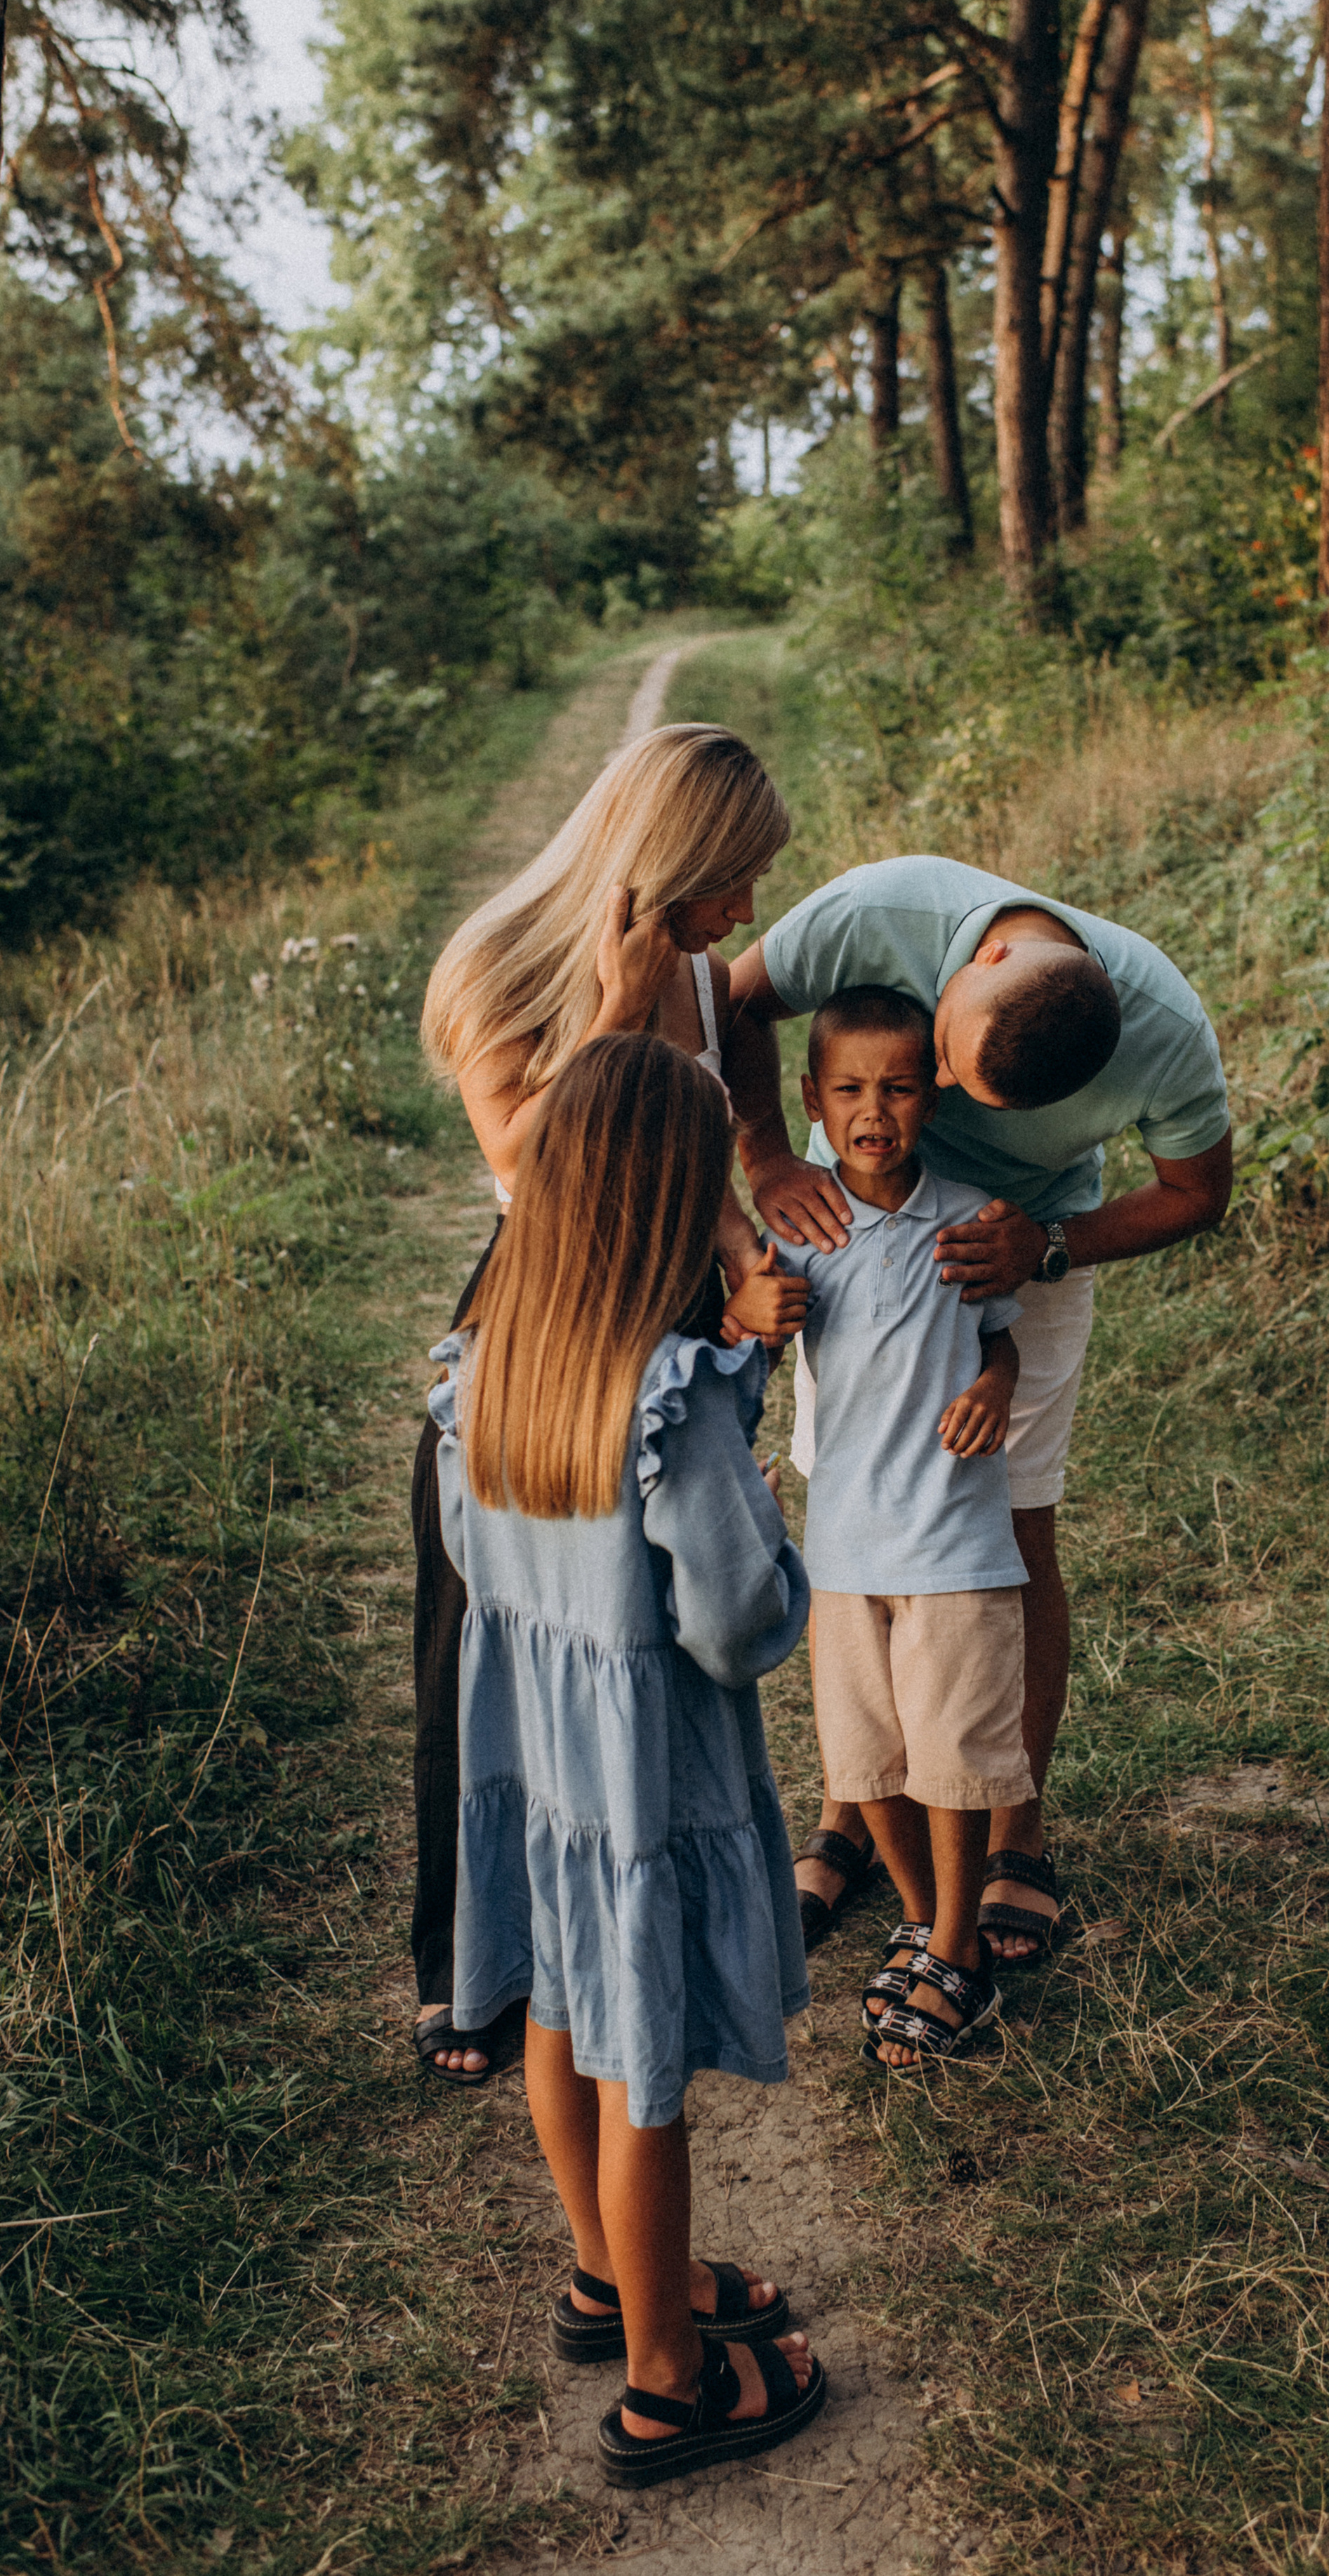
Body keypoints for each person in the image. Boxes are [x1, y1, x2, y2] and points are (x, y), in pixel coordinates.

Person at [429, 1032, 826, 2485]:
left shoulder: (484, 1370)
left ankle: (610, 2275)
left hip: (539, 1773)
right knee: (640, 2065)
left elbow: (478, 1556)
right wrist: (771, 1527)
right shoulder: (676, 1397)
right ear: (674, 1207)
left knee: (556, 2015)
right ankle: (669, 2380)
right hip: (645, 1786)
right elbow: (731, 1622)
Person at [727, 855, 1233, 1967]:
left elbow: (1201, 1190)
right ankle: (851, 1814)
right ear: (982, 959)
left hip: (1015, 1248)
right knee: (847, 1505)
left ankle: (1016, 1836)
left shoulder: (1165, 1028)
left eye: (960, 1088)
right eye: (942, 1064)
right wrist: (766, 1158)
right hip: (847, 1228)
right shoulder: (886, 907)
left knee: (1008, 1529)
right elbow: (734, 998)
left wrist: (1046, 1245)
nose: (939, 1099)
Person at [410, 724, 809, 2082]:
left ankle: (643, 1899)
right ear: (665, 865)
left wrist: (746, 1258)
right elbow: (527, 1153)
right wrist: (620, 1007)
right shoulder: (504, 964)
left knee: (650, 1623)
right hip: (543, 1308)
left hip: (673, 1298)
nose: (744, 912)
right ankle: (466, 1962)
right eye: (732, 878)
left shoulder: (701, 976)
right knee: (488, 1631)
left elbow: (682, 1147)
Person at [769, 986, 1031, 2068]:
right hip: (844, 1546)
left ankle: (960, 1946)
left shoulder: (971, 1219)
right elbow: (748, 1340)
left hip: (953, 1542)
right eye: (848, 1090)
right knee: (866, 1756)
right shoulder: (803, 1228)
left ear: (933, 1094)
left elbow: (1002, 1339)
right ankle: (922, 1923)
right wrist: (752, 1310)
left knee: (951, 1756)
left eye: (899, 1086)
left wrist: (998, 1384)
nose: (874, 1110)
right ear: (813, 1103)